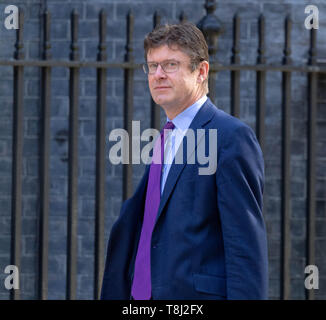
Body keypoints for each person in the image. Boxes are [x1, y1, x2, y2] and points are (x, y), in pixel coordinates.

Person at [100, 22, 268, 300]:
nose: (158, 75)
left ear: (201, 71)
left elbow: (244, 247)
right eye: (152, 66)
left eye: (170, 65)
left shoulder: (231, 137)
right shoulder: (164, 138)